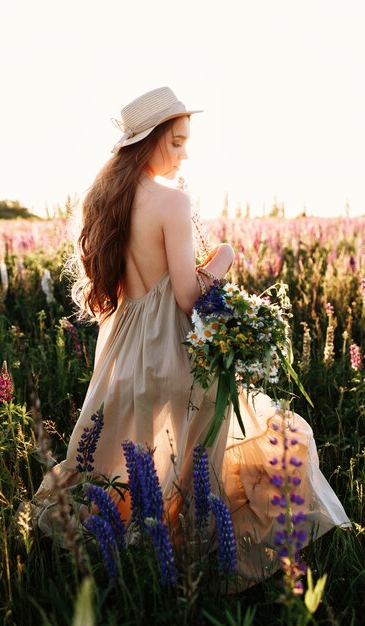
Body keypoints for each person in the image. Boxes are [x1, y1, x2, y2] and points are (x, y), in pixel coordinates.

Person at [30, 86, 350, 590]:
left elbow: (132, 289)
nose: (184, 153)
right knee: (197, 461)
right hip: (177, 350)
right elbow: (186, 296)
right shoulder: (171, 202)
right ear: (151, 141)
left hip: (123, 353)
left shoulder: (104, 199)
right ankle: (196, 571)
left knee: (129, 461)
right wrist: (222, 256)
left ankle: (126, 558)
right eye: (177, 143)